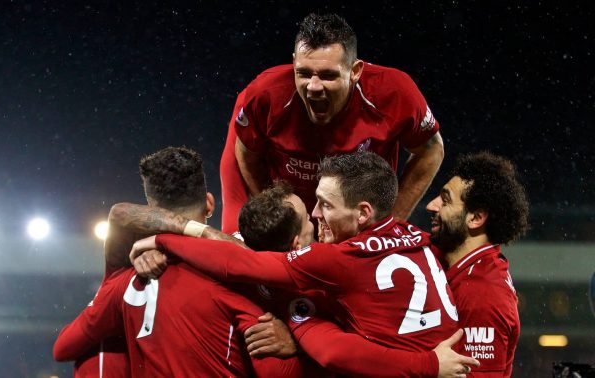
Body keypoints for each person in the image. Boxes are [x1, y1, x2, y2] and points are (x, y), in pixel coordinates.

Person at [133, 152, 461, 361]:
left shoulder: (335, 260)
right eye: (313, 206)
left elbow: (237, 263)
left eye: (326, 205)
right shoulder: (420, 238)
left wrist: (164, 240)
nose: (317, 214)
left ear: (363, 213)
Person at [53, 147, 299, 376]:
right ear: (210, 204)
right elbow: (277, 369)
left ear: (151, 211)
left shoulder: (126, 277)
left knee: (96, 353)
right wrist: (296, 338)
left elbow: (62, 348)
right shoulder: (239, 269)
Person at [220, 13, 444, 233]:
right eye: (304, 73)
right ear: (293, 64)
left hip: (357, 211)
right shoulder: (265, 95)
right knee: (234, 238)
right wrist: (277, 214)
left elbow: (431, 150)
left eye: (328, 76)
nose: (314, 87)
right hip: (291, 200)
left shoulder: (395, 94)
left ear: (355, 72)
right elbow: (247, 152)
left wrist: (389, 224)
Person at [425, 151, 529, 377]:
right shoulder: (459, 265)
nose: (431, 206)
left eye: (445, 200)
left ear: (475, 218)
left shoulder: (484, 293)